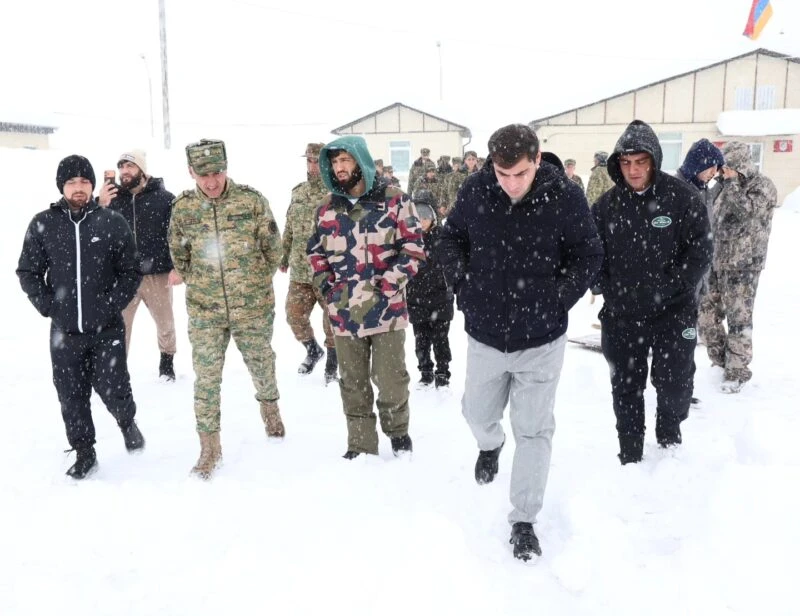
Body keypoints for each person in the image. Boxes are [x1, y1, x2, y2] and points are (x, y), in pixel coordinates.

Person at [438, 124, 603, 562]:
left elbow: (589, 253)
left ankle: (524, 520)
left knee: (532, 429)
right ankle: (490, 444)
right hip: (486, 334)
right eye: (502, 174)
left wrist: (558, 298)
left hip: (541, 340)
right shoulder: (476, 190)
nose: (511, 183)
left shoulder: (564, 196)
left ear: (537, 160)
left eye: (521, 173)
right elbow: (450, 238)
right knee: (476, 412)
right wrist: (462, 285)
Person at [17, 155, 145, 479]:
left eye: (84, 182)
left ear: (92, 185)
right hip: (65, 331)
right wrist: (50, 306)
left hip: (106, 328)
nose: (78, 188)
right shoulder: (44, 223)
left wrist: (111, 304)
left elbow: (131, 271)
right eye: (71, 182)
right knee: (71, 396)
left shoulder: (112, 222)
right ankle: (85, 451)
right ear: (61, 186)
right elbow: (28, 272)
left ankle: (126, 421)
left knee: (114, 386)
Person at [592, 120, 712, 465]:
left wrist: (675, 286)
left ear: (654, 161)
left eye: (641, 162)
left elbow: (701, 250)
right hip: (623, 312)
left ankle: (669, 433)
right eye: (626, 162)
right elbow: (591, 254)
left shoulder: (682, 198)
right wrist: (607, 287)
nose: (633, 170)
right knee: (626, 384)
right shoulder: (605, 207)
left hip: (673, 310)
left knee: (675, 381)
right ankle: (630, 449)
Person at [169, 139, 284, 479]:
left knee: (262, 366)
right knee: (206, 379)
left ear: (226, 168)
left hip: (252, 308)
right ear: (191, 172)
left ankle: (271, 411)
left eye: (217, 173)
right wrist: (204, 285)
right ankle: (209, 448)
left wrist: (251, 284)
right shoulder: (183, 209)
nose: (211, 182)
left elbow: (273, 250)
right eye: (203, 174)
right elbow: (179, 256)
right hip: (206, 312)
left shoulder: (251, 201)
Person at [307, 136, 425, 459]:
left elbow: (414, 248)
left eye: (345, 160)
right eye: (335, 162)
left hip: (387, 311)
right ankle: (361, 445)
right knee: (353, 384)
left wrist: (388, 286)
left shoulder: (395, 200)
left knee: (391, 380)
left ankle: (398, 434)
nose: (340, 167)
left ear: (360, 161)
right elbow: (315, 253)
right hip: (345, 314)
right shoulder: (326, 209)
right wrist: (329, 288)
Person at [698, 141, 778, 393]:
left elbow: (747, 212)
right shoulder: (722, 185)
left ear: (740, 164)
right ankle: (720, 362)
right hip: (715, 262)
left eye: (728, 166)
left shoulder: (762, 186)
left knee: (739, 320)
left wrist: (731, 182)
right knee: (705, 316)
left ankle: (737, 372)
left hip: (743, 266)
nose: (723, 170)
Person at [97, 149, 180, 380]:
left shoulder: (165, 199)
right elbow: (92, 228)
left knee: (165, 323)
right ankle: (116, 369)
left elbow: (177, 235)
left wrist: (177, 266)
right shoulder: (112, 199)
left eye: (130, 166)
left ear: (142, 170)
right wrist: (99, 203)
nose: (124, 171)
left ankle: (167, 363)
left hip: (157, 274)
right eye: (121, 167)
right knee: (118, 325)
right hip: (123, 276)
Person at [279, 142, 338, 384]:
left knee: (332, 320)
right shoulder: (298, 192)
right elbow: (289, 228)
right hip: (300, 270)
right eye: (309, 161)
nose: (312, 166)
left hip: (327, 270)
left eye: (317, 162)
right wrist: (284, 256)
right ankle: (313, 350)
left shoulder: (336, 194)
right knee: (294, 315)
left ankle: (332, 365)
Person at [406, 189, 454, 389]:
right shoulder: (408, 238)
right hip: (416, 296)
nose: (422, 220)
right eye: (417, 215)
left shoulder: (444, 237)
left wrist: (451, 283)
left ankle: (442, 372)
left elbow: (454, 261)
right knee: (421, 339)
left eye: (426, 215)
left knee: (441, 338)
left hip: (440, 296)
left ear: (433, 216)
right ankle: (425, 371)